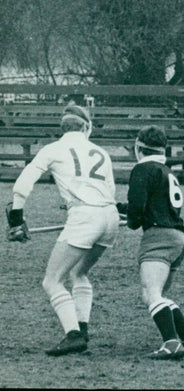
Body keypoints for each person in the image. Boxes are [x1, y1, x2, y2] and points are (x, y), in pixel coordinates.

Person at [6, 104, 119, 356]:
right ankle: (82, 328)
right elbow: (108, 192)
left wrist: (16, 217)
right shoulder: (101, 151)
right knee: (79, 273)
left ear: (63, 127)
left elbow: (23, 183)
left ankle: (73, 335)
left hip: (84, 217)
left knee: (52, 281)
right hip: (109, 218)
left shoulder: (54, 149)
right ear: (85, 127)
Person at [119, 125, 184, 360]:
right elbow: (153, 204)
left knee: (151, 293)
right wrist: (121, 210)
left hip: (158, 238)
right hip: (177, 239)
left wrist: (131, 218)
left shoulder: (142, 168)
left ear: (138, 147)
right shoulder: (165, 171)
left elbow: (137, 208)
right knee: (159, 295)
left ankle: (171, 343)